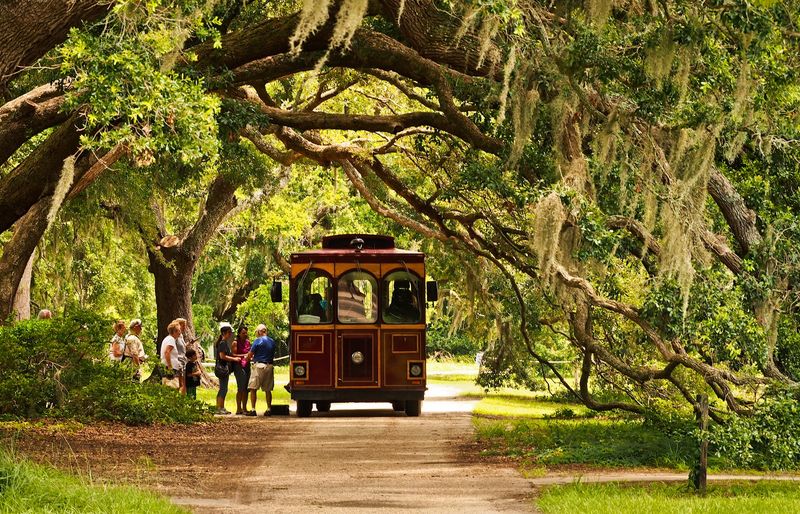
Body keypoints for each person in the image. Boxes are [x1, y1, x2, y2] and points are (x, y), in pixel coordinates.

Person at [245, 324, 277, 416]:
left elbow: (250, 354)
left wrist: (246, 359)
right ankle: (268, 409)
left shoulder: (257, 341)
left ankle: (253, 409)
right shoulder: (272, 341)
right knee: (268, 389)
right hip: (269, 366)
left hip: (259, 366)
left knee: (253, 388)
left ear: (259, 331)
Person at [214, 323, 239, 415]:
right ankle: (220, 407)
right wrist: (234, 359)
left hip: (225, 368)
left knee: (223, 388)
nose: (230, 334)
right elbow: (222, 356)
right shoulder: (222, 343)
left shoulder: (224, 343)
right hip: (222, 368)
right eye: (229, 332)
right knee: (223, 389)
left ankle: (220, 407)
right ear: (224, 333)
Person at [231, 326, 252, 415]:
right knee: (241, 387)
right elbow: (234, 354)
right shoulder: (235, 343)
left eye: (246, 333)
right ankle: (238, 408)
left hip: (247, 366)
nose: (245, 334)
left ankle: (245, 408)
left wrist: (250, 356)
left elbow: (250, 353)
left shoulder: (248, 342)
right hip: (238, 366)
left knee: (246, 388)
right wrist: (245, 355)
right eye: (243, 333)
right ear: (239, 334)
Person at [160, 321, 183, 389]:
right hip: (170, 367)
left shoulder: (168, 339)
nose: (180, 332)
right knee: (172, 387)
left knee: (170, 387)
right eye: (179, 330)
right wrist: (170, 367)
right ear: (174, 331)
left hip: (169, 366)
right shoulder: (171, 339)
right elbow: (167, 352)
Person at [174, 318, 190, 394]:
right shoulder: (175, 336)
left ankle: (183, 401)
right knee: (178, 384)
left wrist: (188, 344)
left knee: (183, 384)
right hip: (178, 362)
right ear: (179, 325)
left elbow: (182, 347)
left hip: (183, 362)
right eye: (184, 326)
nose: (185, 327)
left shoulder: (181, 336)